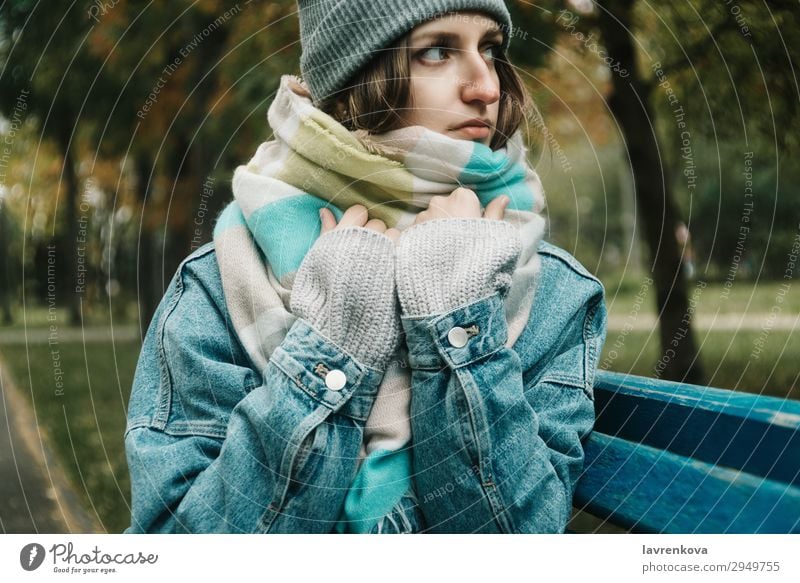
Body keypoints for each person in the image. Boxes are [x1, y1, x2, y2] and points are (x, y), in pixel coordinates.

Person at [124, 0, 607, 534]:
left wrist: (455, 306)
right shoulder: (221, 282)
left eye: (489, 50)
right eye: (438, 52)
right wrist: (336, 337)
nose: (486, 88)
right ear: (355, 78)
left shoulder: (552, 291)